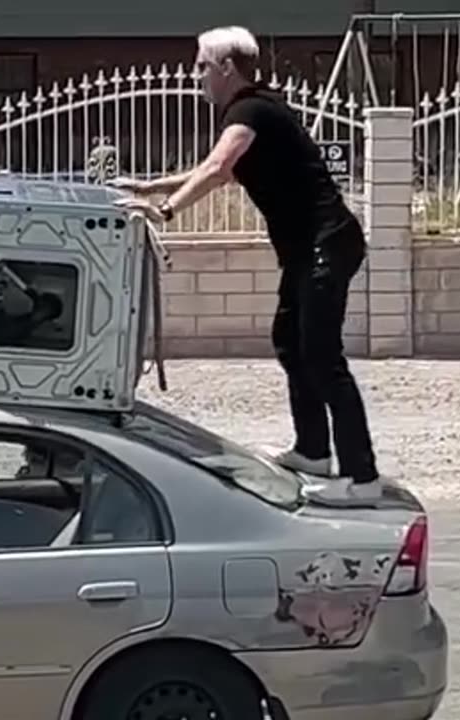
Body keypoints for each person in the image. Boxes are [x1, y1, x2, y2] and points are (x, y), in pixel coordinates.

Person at [109, 25, 381, 503]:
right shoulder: (254, 111)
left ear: (225, 69)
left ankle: (363, 479)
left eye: (201, 66)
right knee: (289, 342)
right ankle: (314, 451)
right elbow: (221, 166)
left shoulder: (250, 109)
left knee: (320, 355)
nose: (196, 76)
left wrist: (167, 210)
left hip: (328, 242)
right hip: (308, 248)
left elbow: (217, 169)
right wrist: (152, 187)